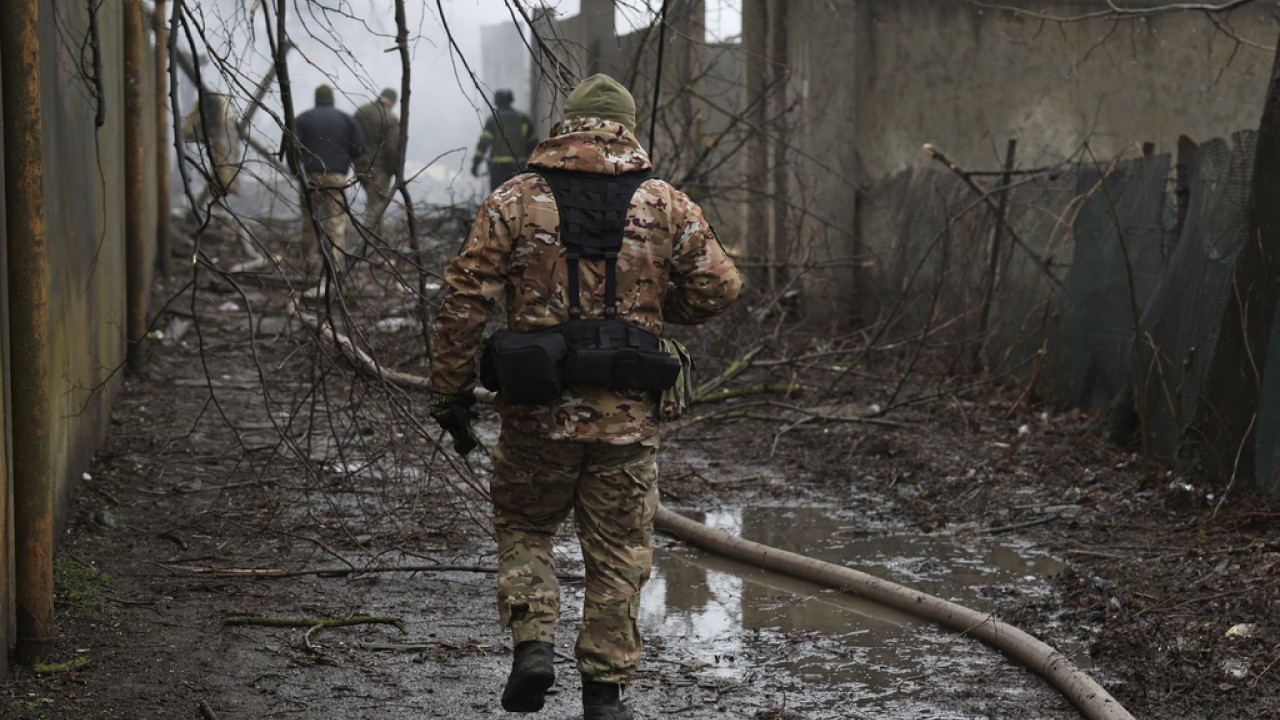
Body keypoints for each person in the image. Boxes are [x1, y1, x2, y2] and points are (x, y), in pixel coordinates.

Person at [430, 74, 742, 719]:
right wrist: (655, 307)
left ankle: (533, 648)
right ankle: (604, 695)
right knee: (619, 549)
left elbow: (465, 298)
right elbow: (720, 288)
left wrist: (451, 390)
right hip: (626, 419)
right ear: (626, 126)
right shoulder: (665, 203)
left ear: (567, 124)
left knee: (524, 524)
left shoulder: (514, 198)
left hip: (535, 413)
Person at [286, 84, 366, 285]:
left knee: (310, 221)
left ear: (316, 98)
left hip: (310, 177)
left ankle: (310, 266)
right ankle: (336, 267)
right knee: (336, 222)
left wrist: (298, 172)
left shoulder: (303, 119)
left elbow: (291, 146)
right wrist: (344, 158)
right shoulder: (346, 119)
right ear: (332, 99)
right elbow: (360, 148)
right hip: (336, 177)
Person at [180, 90, 242, 208]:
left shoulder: (222, 119)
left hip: (221, 119)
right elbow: (187, 132)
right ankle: (220, 190)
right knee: (223, 162)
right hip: (217, 119)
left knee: (223, 160)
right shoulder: (212, 107)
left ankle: (220, 190)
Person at [353, 87, 400, 238]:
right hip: (379, 169)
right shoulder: (390, 118)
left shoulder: (361, 112)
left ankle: (378, 246)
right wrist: (392, 170)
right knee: (375, 207)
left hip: (360, 165)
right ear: (393, 101)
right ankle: (364, 247)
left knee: (376, 204)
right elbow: (392, 148)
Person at [471, 88, 539, 191]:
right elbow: (533, 143)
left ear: (496, 101)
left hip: (498, 169)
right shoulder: (522, 118)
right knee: (517, 199)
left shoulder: (492, 120)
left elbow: (483, 144)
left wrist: (476, 164)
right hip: (519, 167)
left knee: (498, 201)